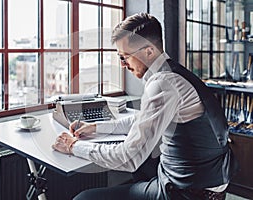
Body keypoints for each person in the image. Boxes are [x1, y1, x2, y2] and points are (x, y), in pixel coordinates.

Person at [52, 13, 237, 200]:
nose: (123, 65)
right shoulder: (173, 72)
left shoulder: (164, 84)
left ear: (148, 51)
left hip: (191, 191)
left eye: (125, 57)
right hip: (206, 177)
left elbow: (129, 158)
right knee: (143, 165)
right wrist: (97, 127)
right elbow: (143, 118)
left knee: (83, 198)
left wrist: (73, 146)